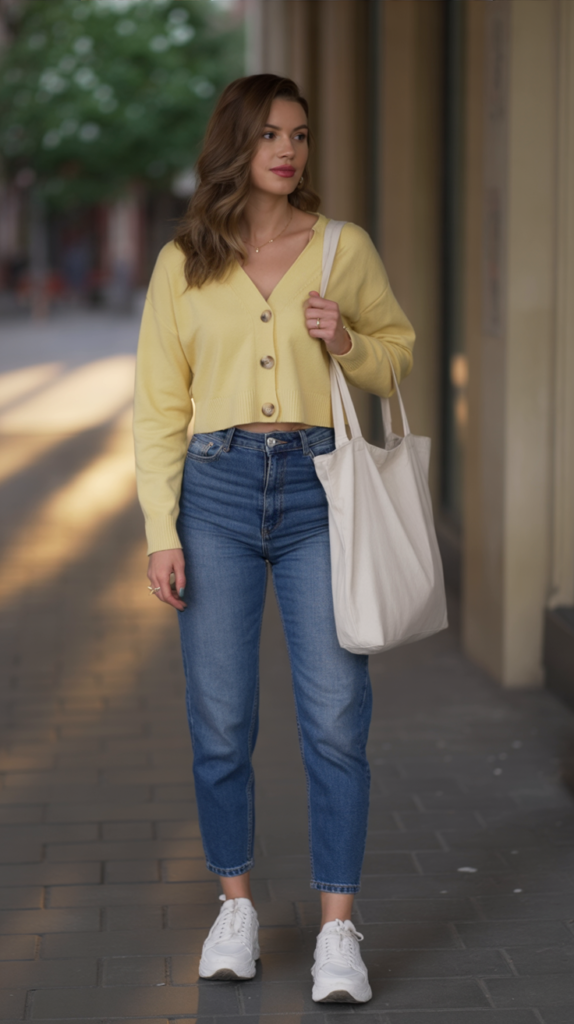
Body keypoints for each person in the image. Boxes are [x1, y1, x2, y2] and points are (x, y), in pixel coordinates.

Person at [134, 74, 415, 1005]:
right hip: (212, 493)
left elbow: (398, 355)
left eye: (298, 135)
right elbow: (158, 408)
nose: (288, 151)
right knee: (220, 721)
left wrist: (348, 344)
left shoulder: (343, 249)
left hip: (319, 491)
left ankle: (339, 932)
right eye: (268, 136)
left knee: (336, 717)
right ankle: (237, 907)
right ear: (236, 147)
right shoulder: (185, 261)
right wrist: (158, 529)